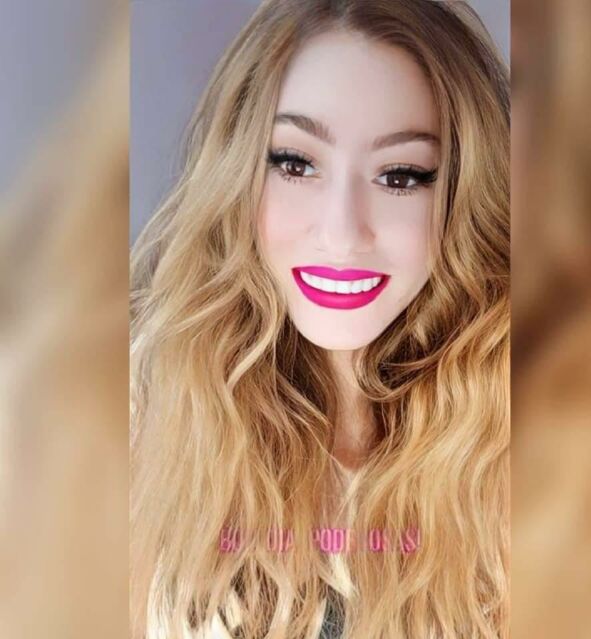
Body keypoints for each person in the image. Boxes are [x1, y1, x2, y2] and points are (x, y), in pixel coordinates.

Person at [130, 1, 509, 637]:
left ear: (465, 192)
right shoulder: (135, 410)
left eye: (400, 175)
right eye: (296, 164)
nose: (342, 234)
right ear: (237, 169)